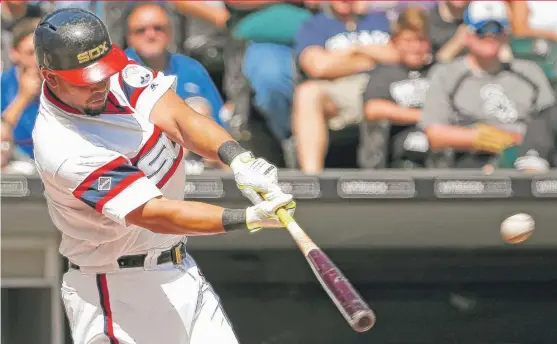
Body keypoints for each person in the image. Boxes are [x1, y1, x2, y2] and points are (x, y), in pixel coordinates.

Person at [32, 8, 295, 344]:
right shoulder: (63, 146)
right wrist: (249, 217)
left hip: (179, 269)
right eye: (86, 79)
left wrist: (240, 160)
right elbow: (155, 214)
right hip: (115, 290)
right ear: (51, 77)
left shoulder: (117, 75)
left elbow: (180, 118)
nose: (100, 83)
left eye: (103, 71)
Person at [419, 1, 556, 169]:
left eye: (497, 29)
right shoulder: (446, 74)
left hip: (527, 157)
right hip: (469, 163)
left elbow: (550, 120)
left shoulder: (529, 72)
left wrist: (520, 141)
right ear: (467, 35)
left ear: (506, 34)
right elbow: (435, 133)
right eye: (482, 30)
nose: (490, 36)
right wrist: (477, 137)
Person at [292, 0, 399, 173]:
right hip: (342, 91)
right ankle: (311, 178)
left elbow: (399, 54)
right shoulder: (316, 25)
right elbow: (318, 67)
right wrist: (371, 57)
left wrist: (353, 50)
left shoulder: (380, 20)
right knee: (306, 93)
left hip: (386, 86)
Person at [125, 3, 228, 172]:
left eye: (158, 28)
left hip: (196, 163)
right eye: (141, 30)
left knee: (199, 108)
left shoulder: (191, 68)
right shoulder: (119, 70)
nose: (150, 35)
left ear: (170, 33)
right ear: (129, 36)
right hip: (139, 162)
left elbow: (218, 127)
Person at [360, 6, 434, 169]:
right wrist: (423, 115)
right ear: (394, 41)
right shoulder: (385, 72)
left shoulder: (438, 71)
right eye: (408, 41)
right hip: (395, 159)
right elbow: (373, 108)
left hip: (436, 155)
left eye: (421, 40)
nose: (415, 47)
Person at [1, 18, 42, 158]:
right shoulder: (3, 85)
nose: (37, 61)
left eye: (41, 53)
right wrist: (23, 98)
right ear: (15, 53)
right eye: (30, 53)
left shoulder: (58, 86)